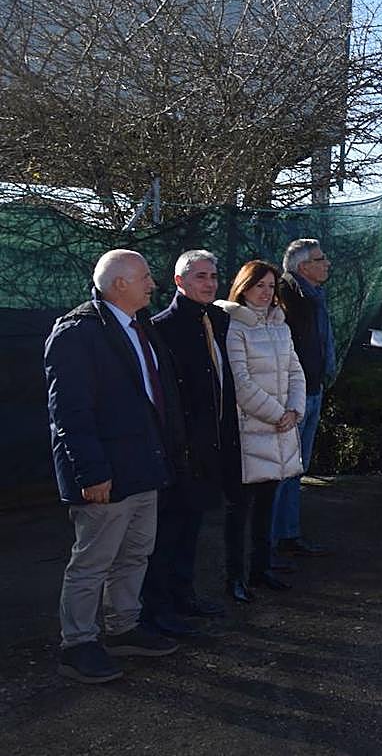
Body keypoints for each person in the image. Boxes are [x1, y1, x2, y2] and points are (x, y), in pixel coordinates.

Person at [44, 249, 184, 683]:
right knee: (92, 561)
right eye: (144, 276)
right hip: (106, 473)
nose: (152, 284)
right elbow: (69, 412)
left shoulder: (139, 327)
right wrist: (91, 473)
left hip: (143, 466)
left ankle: (123, 626)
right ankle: (79, 643)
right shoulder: (77, 333)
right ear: (118, 284)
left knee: (135, 553)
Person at [143, 250, 239, 632]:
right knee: (167, 531)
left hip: (210, 445)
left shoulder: (216, 319)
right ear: (180, 281)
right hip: (179, 450)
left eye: (214, 276)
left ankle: (184, 595)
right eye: (201, 276)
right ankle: (158, 607)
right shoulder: (161, 327)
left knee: (192, 528)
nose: (210, 283)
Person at [215, 260, 306, 601]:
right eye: (259, 286)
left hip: (279, 429)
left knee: (267, 507)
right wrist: (277, 413)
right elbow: (240, 382)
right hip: (248, 431)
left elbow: (296, 371)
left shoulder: (281, 326)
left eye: (271, 287)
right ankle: (234, 577)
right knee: (239, 509)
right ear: (244, 287)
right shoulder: (233, 327)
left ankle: (261, 569)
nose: (267, 293)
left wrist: (295, 409)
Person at [274, 238, 333, 559]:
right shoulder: (286, 297)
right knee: (283, 470)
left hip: (312, 389)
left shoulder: (312, 296)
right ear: (303, 267)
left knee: (296, 469)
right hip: (291, 399)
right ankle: (270, 542)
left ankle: (288, 534)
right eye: (321, 259)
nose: (327, 264)